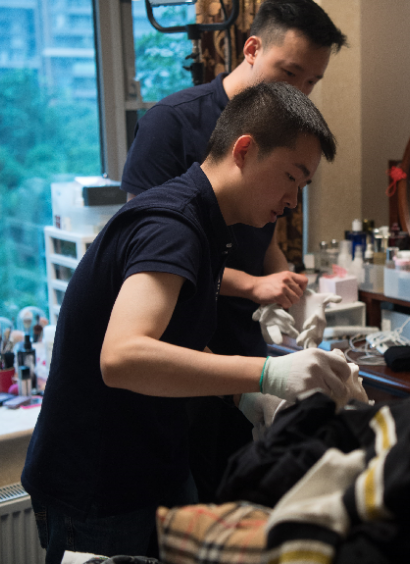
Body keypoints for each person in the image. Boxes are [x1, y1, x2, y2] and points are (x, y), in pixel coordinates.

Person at [22, 82, 353, 563]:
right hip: (99, 483)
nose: (292, 202)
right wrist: (265, 372)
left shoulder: (208, 223)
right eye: (291, 177)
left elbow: (177, 339)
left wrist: (246, 396)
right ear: (244, 150)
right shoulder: (173, 226)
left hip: (155, 464)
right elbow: (123, 357)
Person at [121, 0, 348, 359]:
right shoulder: (170, 123)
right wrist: (252, 285)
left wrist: (291, 293)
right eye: (290, 73)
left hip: (246, 338)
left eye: (311, 81)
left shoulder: (287, 135)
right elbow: (141, 246)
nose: (299, 92)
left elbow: (264, 238)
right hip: (180, 344)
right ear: (253, 49)